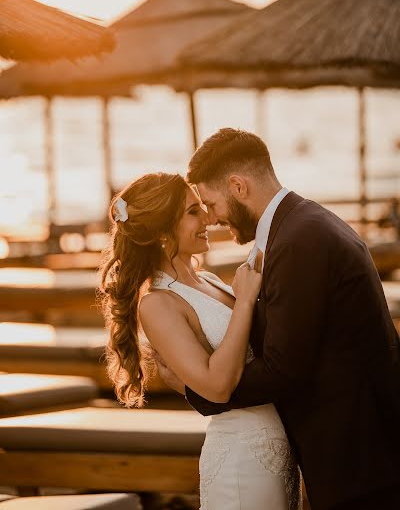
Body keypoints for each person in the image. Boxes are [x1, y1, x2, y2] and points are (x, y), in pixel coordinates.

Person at [157, 128, 400, 510]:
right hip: (358, 451)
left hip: (358, 459)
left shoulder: (300, 239)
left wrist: (200, 388)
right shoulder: (301, 225)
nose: (213, 218)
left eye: (212, 203)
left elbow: (285, 368)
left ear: (238, 186)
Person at [99, 172, 301, 510]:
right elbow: (217, 386)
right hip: (241, 459)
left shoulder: (208, 280)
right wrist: (246, 301)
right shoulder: (159, 303)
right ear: (163, 231)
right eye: (193, 212)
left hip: (276, 448)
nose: (207, 218)